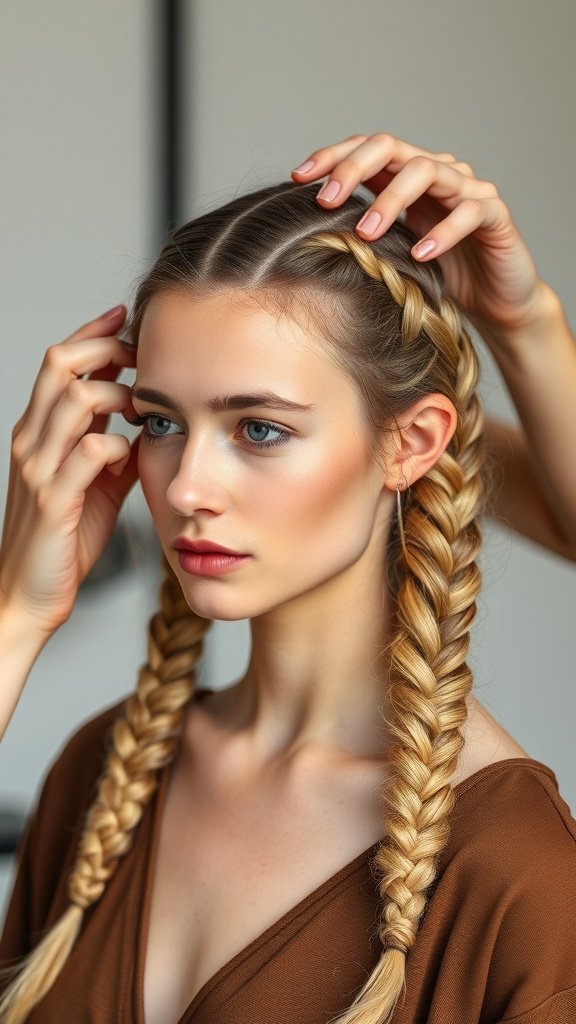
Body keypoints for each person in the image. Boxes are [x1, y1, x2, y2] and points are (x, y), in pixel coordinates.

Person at [0, 132, 574, 1024]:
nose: (186, 489)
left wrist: (526, 318)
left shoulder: (513, 873)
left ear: (410, 444)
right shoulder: (101, 773)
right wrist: (16, 616)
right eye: (159, 424)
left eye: (259, 429)